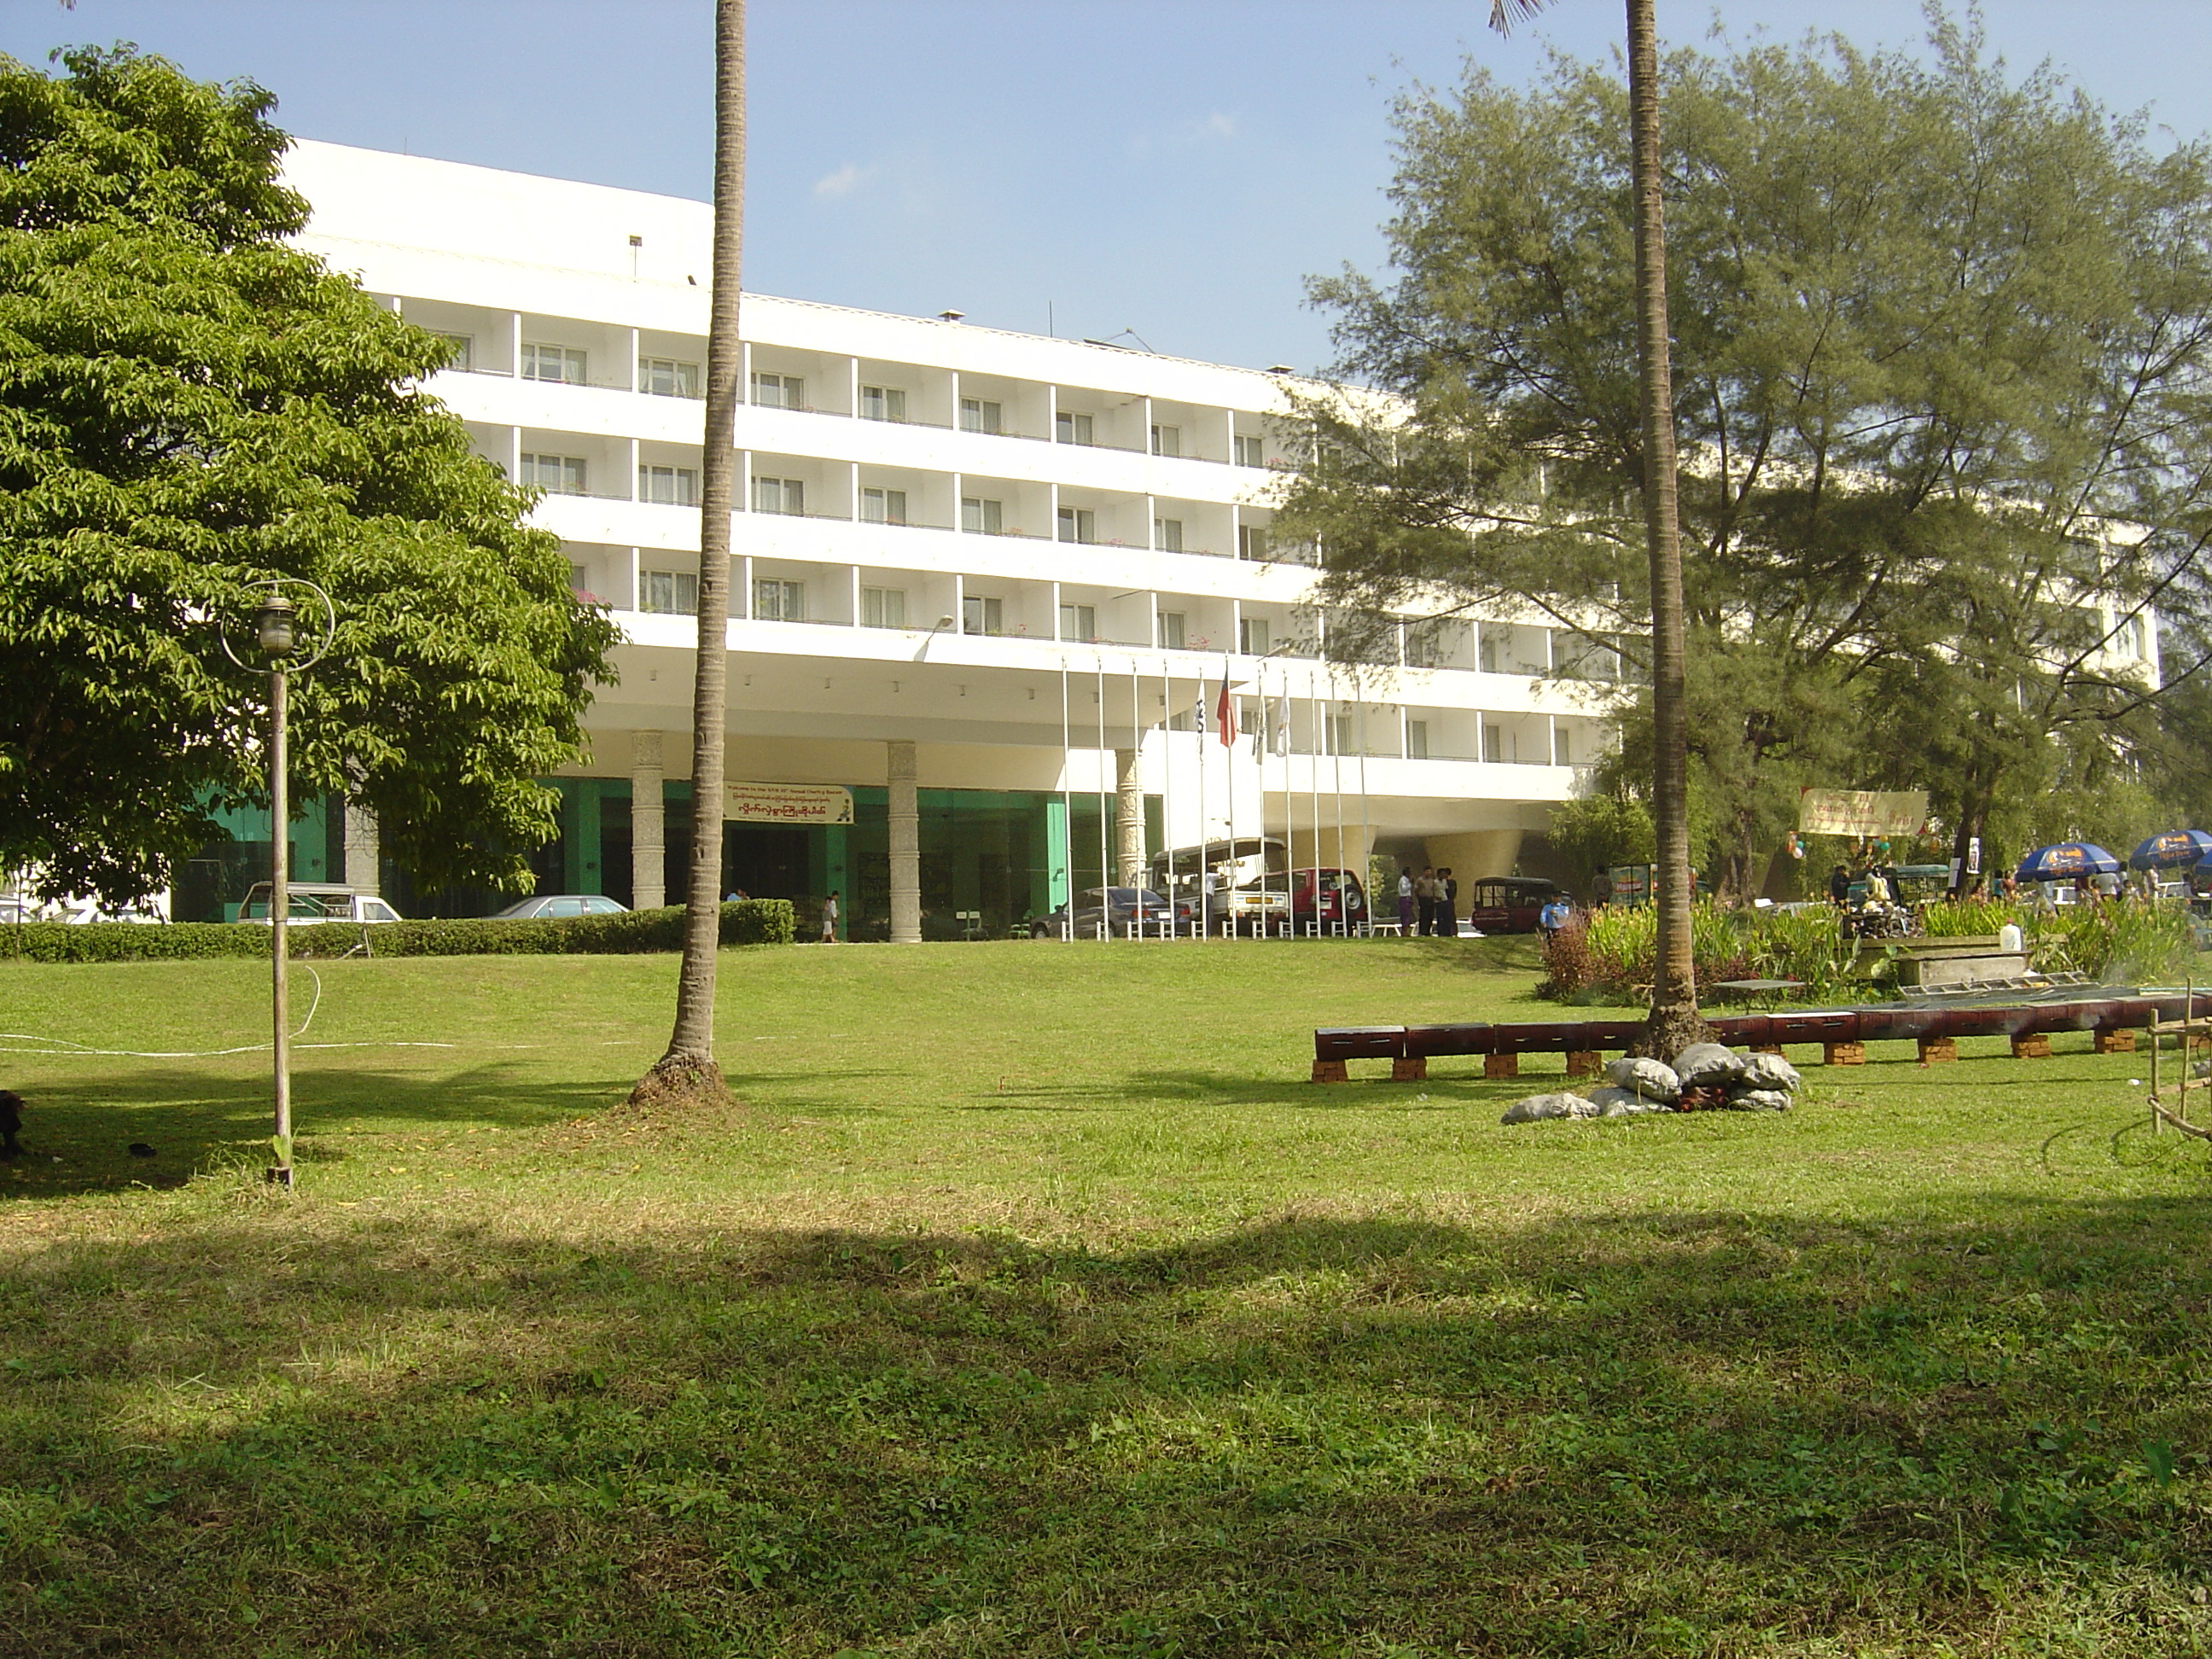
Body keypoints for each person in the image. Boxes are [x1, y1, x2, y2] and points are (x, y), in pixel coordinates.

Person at [1415, 866, 1437, 935]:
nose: (1428, 873)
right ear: (1424, 872)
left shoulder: (1432, 881)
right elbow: (1416, 889)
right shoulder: (1420, 880)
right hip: (1423, 898)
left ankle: (1428, 931)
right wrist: (1418, 896)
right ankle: (1422, 931)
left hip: (1430, 898)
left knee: (1430, 915)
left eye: (1430, 872)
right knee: (1424, 915)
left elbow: (1434, 889)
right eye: (1427, 872)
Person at [1439, 868, 1459, 936]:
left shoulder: (1451, 882)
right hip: (1444, 900)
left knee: (1450, 916)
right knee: (1445, 917)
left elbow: (1452, 892)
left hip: (1448, 900)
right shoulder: (1442, 882)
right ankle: (1446, 931)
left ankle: (1451, 931)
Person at [1396, 866, 1414, 933]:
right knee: (1405, 915)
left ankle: (1407, 931)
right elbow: (1404, 889)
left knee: (1408, 915)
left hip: (1407, 898)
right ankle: (1404, 931)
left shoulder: (1406, 880)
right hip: (1404, 898)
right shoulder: (1403, 880)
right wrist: (1410, 884)